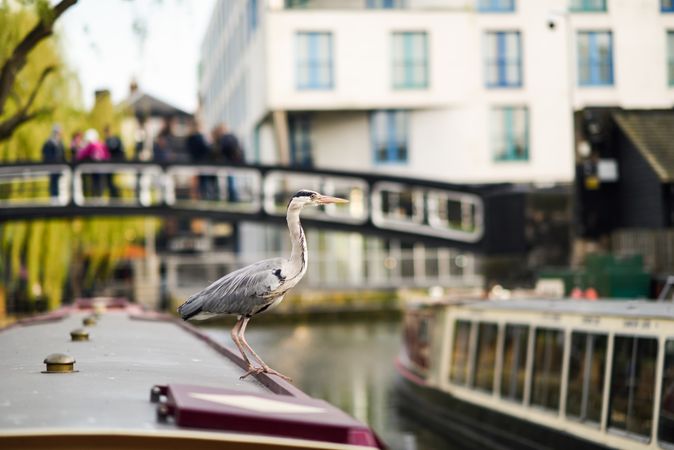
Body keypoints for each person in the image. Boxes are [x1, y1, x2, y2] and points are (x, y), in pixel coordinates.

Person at [212, 123, 244, 202]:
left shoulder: (226, 138)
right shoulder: (232, 137)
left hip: (230, 163)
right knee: (231, 181)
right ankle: (233, 199)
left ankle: (233, 199)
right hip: (233, 162)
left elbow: (222, 151)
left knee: (231, 182)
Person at [186, 119, 215, 200]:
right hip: (203, 162)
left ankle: (202, 196)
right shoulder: (200, 137)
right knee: (204, 181)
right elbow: (207, 149)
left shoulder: (190, 138)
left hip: (195, 161)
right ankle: (206, 197)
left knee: (199, 181)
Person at [77, 129, 110, 198]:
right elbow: (107, 156)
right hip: (101, 168)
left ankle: (96, 197)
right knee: (100, 184)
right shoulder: (101, 144)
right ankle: (99, 197)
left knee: (95, 184)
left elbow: (82, 155)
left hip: (95, 169)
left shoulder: (92, 145)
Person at [41, 124, 65, 201]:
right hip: (52, 166)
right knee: (53, 183)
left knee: (58, 183)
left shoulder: (60, 142)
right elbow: (46, 155)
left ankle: (57, 198)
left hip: (59, 167)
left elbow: (62, 155)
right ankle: (54, 199)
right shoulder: (49, 143)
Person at [103, 125, 125, 198]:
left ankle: (116, 195)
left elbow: (114, 149)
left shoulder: (113, 140)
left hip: (115, 163)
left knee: (111, 181)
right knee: (109, 181)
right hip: (110, 164)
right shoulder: (109, 140)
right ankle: (114, 195)